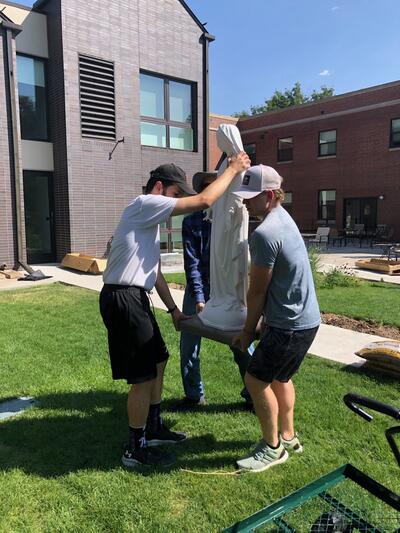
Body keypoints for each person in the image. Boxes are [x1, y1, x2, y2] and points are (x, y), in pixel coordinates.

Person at [99, 153, 250, 468]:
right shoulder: (145, 203)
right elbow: (205, 200)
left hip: (134, 297)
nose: (178, 201)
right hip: (123, 298)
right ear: (159, 187)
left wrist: (173, 310)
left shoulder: (148, 222)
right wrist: (233, 168)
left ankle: (152, 429)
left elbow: (154, 272)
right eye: (176, 194)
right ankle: (135, 449)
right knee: (142, 377)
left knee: (159, 359)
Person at [232, 164, 320, 473]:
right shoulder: (284, 218)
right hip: (307, 321)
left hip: (288, 326)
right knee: (281, 378)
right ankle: (289, 436)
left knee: (255, 380)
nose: (245, 202)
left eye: (250, 197)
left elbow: (257, 292)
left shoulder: (265, 233)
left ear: (269, 196)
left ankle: (272, 449)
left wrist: (246, 332)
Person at [178, 171, 253, 409]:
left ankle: (254, 393)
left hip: (229, 291)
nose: (217, 191)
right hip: (199, 289)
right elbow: (192, 263)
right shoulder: (192, 221)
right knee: (189, 345)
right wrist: (200, 297)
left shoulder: (235, 216)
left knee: (242, 343)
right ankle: (194, 395)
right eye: (211, 187)